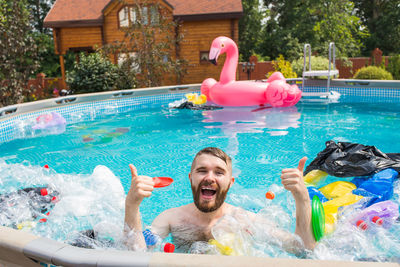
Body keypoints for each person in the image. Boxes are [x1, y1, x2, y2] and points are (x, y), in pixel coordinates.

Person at [124, 147, 315, 254]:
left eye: (219, 172)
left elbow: (303, 250)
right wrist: (132, 206)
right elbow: (135, 253)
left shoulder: (247, 221)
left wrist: (302, 199)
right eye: (202, 171)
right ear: (191, 178)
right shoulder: (170, 219)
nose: (209, 178)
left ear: (230, 183)